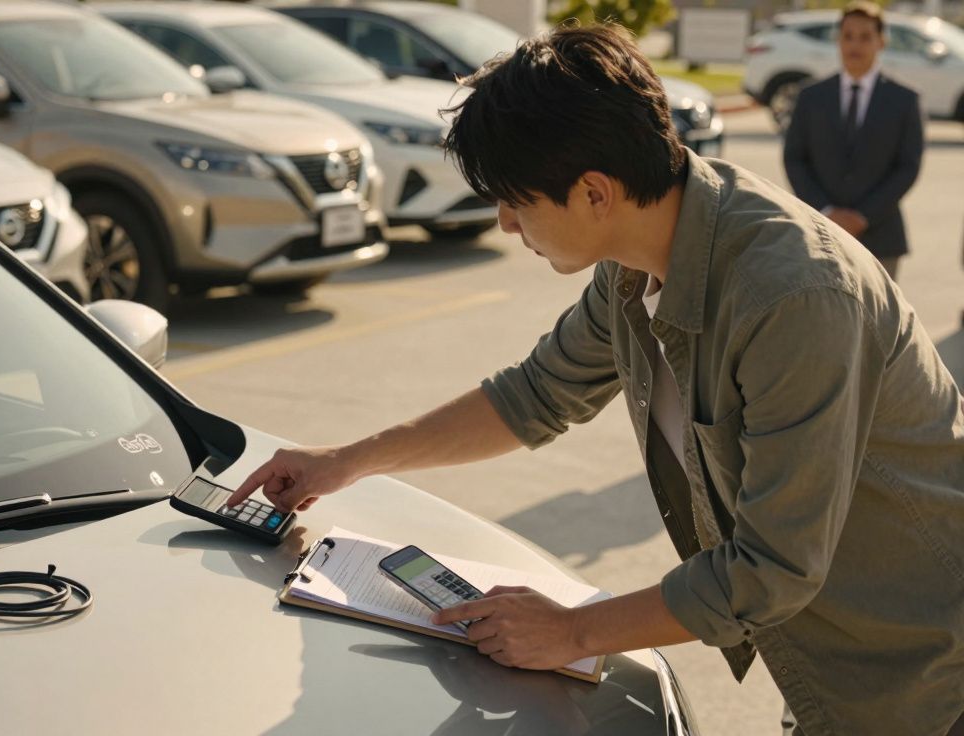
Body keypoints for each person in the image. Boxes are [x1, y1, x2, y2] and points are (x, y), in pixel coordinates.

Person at [228, 23, 964, 736]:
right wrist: (345, 461)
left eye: (517, 201)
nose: (508, 226)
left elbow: (771, 571)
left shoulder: (793, 297)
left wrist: (571, 630)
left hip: (921, 674)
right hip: (826, 661)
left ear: (594, 192)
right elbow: (533, 395)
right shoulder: (637, 262)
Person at [783, 1, 925, 280]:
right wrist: (826, 212)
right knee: (824, 321)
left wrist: (862, 216)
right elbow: (795, 158)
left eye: (865, 37)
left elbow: (908, 166)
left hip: (881, 237)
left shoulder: (905, 100)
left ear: (881, 42)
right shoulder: (811, 97)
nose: (855, 45)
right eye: (848, 36)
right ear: (838, 40)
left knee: (877, 323)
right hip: (820, 234)